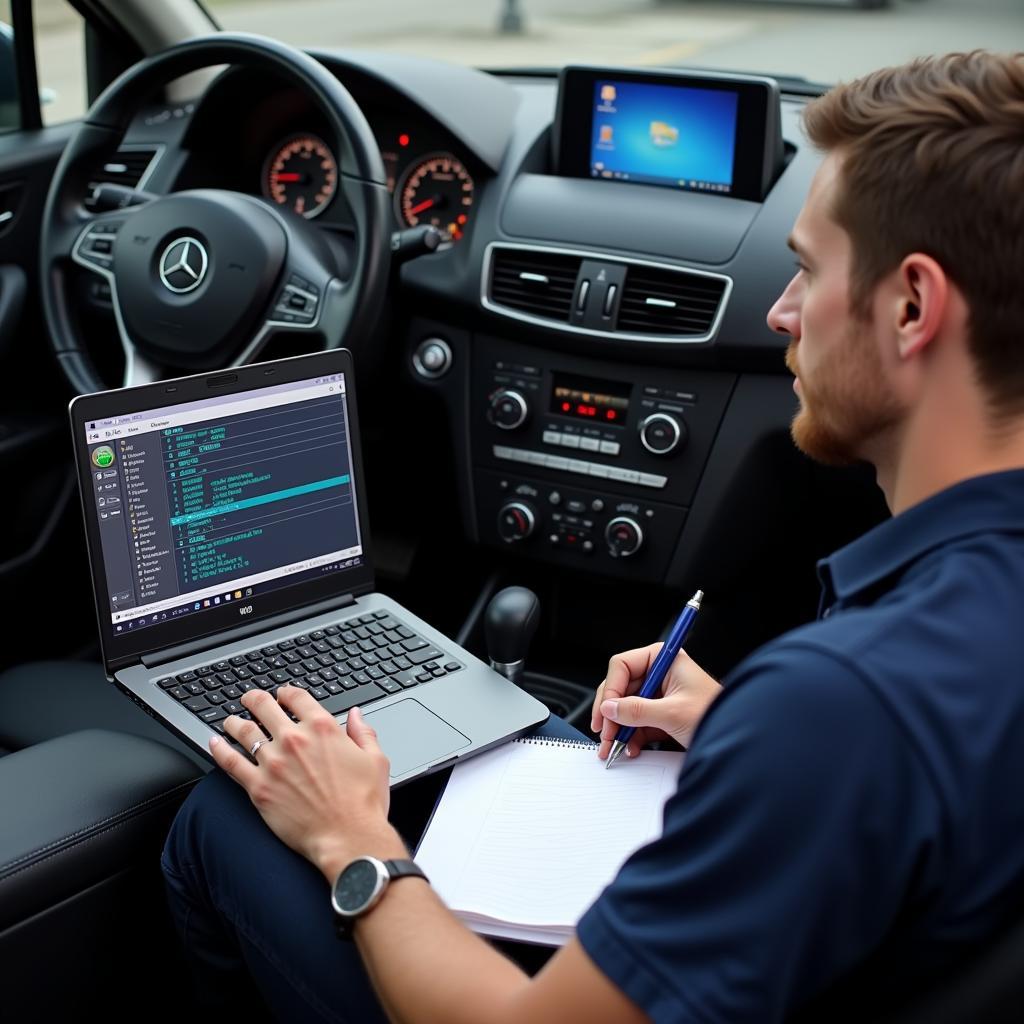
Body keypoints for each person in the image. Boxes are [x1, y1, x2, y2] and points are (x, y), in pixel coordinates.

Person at [161, 50, 1024, 1023]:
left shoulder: (839, 706)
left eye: (805, 270)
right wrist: (745, 737)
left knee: (222, 817)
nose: (781, 313)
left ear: (912, 306)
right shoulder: (899, 677)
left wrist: (355, 843)